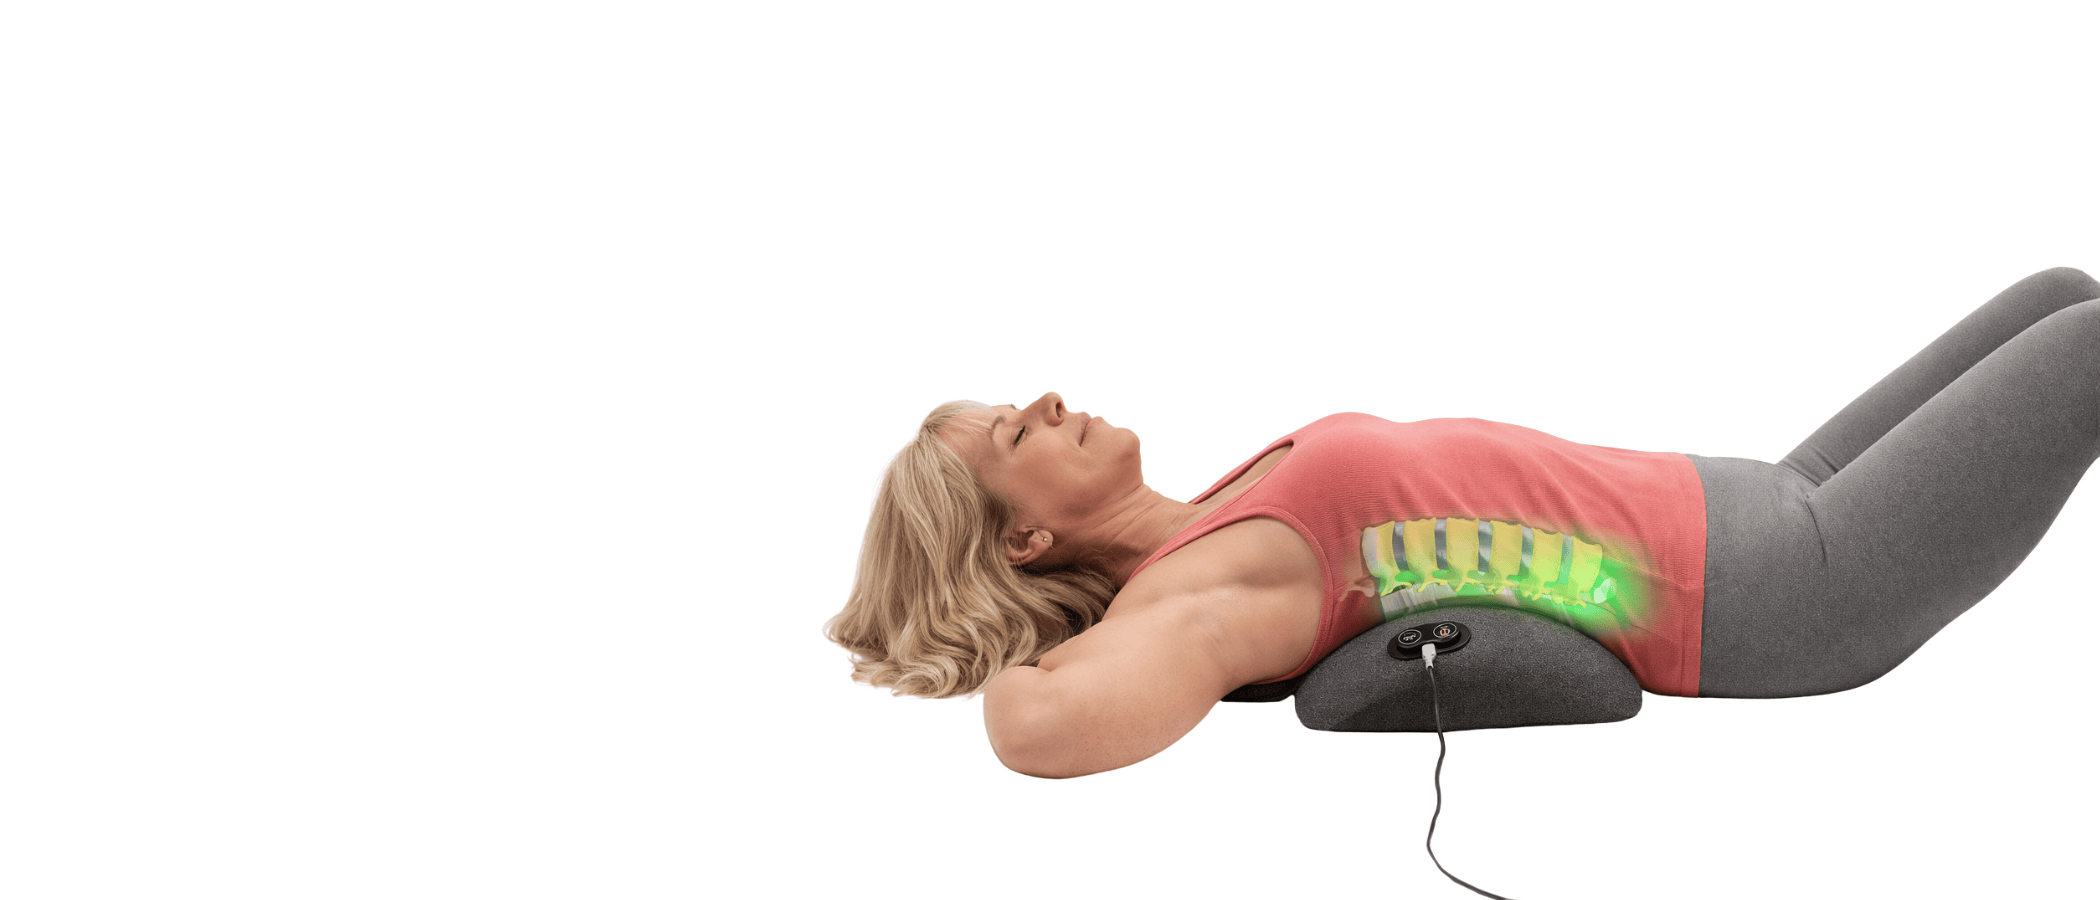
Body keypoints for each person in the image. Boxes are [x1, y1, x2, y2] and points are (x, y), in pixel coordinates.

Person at [826, 267, 2100, 779]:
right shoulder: (1197, 598)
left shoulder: (1216, 512)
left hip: (1767, 489)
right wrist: (976, 640)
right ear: (1024, 544)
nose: (1048, 400)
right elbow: (1040, 730)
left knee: (2062, 295)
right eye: (1017, 435)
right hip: (1786, 585)